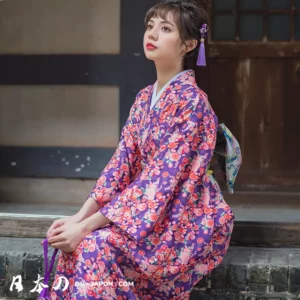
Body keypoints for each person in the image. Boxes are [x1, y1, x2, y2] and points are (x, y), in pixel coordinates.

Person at [45, 0, 241, 299]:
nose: (152, 34)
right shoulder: (144, 97)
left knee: (94, 245)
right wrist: (78, 218)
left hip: (184, 217)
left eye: (165, 29)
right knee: (78, 243)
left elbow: (158, 182)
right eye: (150, 27)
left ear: (188, 44)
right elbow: (120, 165)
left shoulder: (192, 103)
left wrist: (85, 229)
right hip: (145, 211)